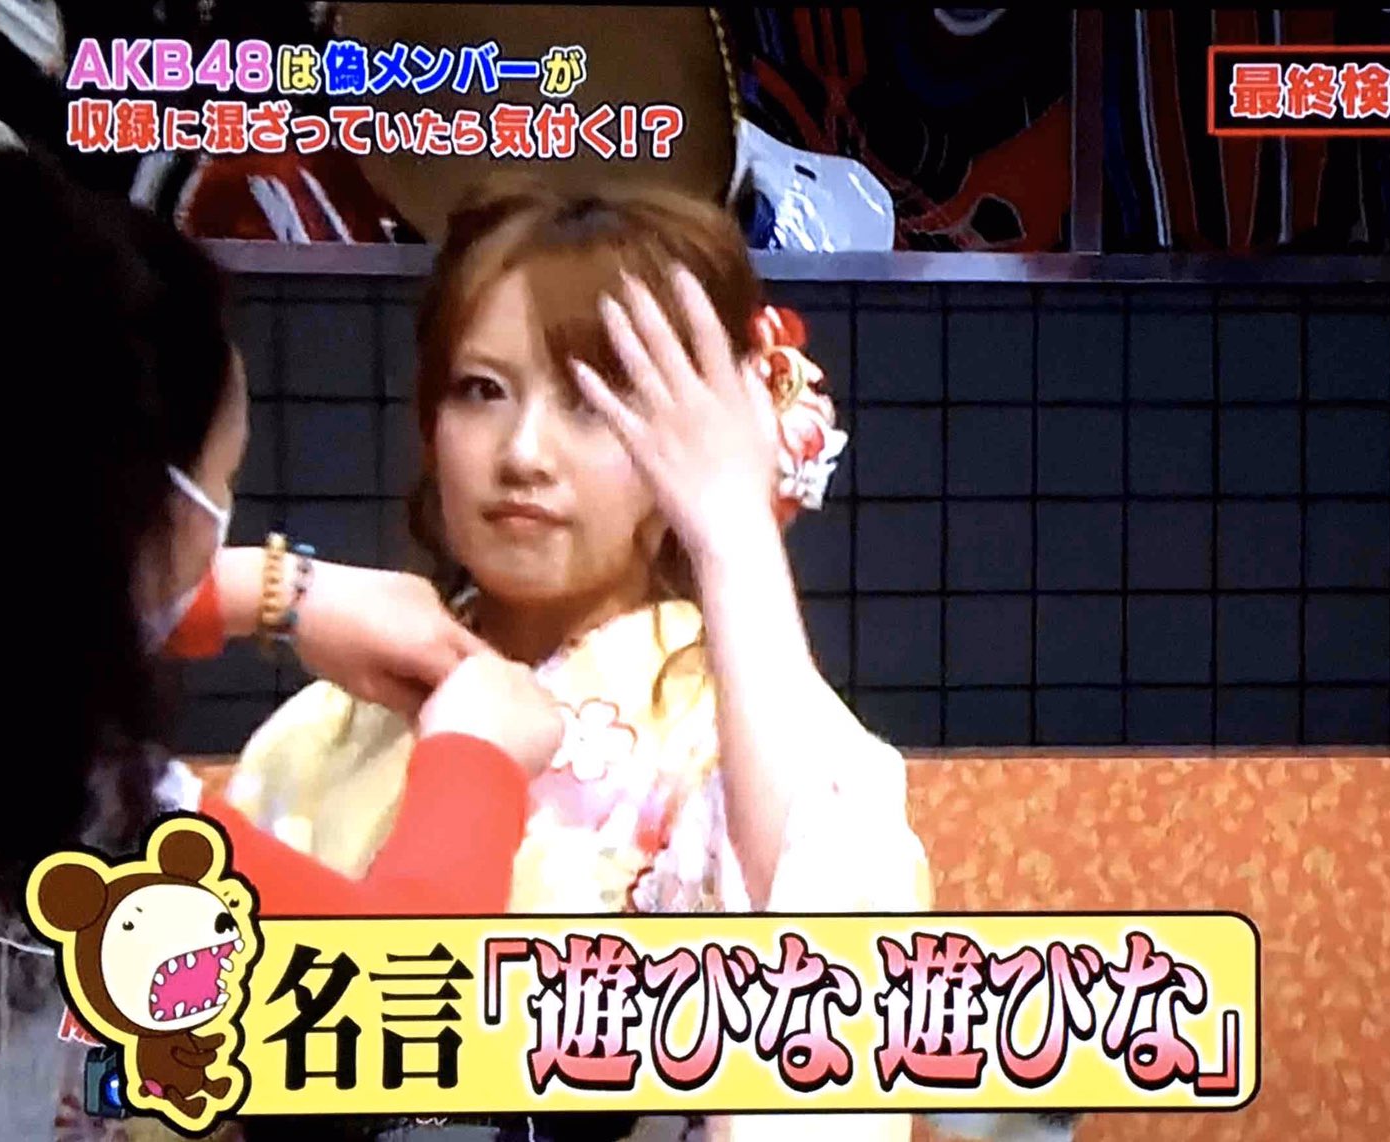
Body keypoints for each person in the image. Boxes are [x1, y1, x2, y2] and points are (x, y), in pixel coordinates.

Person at [211, 178, 928, 1142]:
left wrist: (734, 535)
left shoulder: (752, 738)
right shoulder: (313, 739)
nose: (523, 453)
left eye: (595, 402)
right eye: (480, 390)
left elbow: (826, 1015)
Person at [0, 143, 565, 1140]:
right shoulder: (91, 811)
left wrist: (266, 590)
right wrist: (475, 765)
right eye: (220, 487)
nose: (526, 454)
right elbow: (376, 1013)